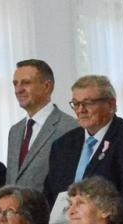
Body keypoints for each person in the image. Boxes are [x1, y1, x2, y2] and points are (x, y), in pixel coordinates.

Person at [43, 75, 123, 224]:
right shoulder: (62, 145)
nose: (81, 110)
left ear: (111, 104)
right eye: (76, 103)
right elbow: (50, 195)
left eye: (88, 103)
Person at [5, 59, 76, 193]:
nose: (18, 90)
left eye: (26, 83)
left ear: (47, 86)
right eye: (15, 84)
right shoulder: (15, 131)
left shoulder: (70, 127)